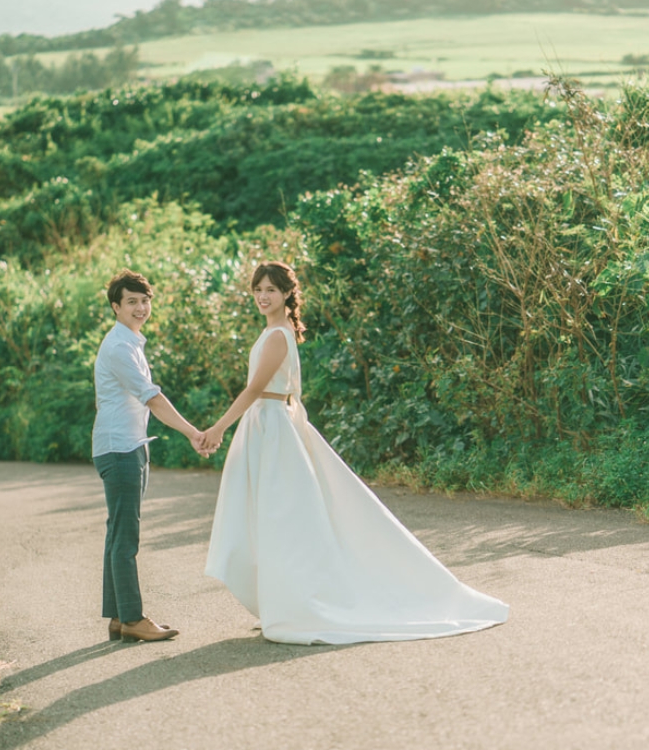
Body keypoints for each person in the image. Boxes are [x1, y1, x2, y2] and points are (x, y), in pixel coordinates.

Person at [200, 261, 508, 645]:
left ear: (286, 295)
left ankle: (297, 604)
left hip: (271, 426)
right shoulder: (272, 332)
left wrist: (218, 428)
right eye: (258, 289)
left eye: (272, 290)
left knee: (283, 518)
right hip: (267, 425)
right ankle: (284, 602)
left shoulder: (278, 336)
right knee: (272, 517)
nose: (263, 296)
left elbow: (253, 390)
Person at [93, 269, 212, 643]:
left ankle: (118, 617)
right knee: (125, 537)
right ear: (116, 307)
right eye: (131, 302)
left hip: (127, 445)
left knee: (117, 535)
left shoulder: (129, 342)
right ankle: (132, 618)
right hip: (121, 448)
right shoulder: (119, 348)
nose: (141, 307)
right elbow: (153, 398)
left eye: (145, 300)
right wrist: (194, 432)